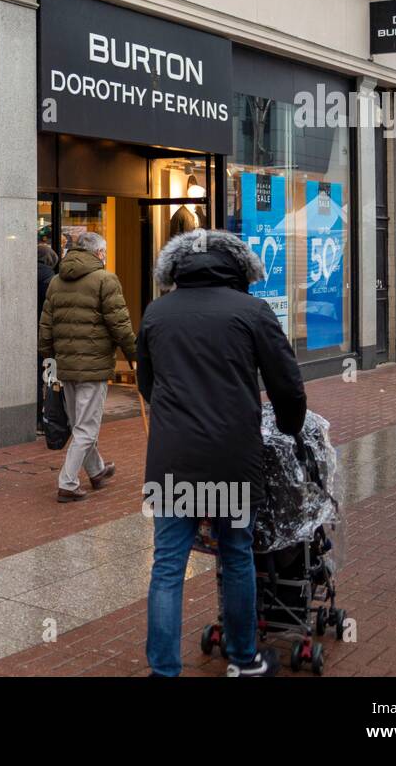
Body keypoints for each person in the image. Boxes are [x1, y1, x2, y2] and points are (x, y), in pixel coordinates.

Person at [137, 229, 307, 677]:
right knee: (237, 554)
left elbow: (146, 385)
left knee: (168, 564)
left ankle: (163, 669)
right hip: (232, 455)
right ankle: (243, 657)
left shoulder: (157, 313)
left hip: (173, 456)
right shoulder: (252, 311)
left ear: (176, 269)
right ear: (239, 269)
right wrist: (291, 429)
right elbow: (286, 384)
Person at [38, 231, 137, 501]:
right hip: (92, 366)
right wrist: (134, 354)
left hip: (65, 364)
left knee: (79, 423)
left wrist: (48, 357)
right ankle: (67, 483)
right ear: (99, 253)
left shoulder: (57, 281)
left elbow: (46, 325)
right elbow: (119, 324)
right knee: (85, 427)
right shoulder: (106, 279)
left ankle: (96, 471)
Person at [36, 243, 59, 434]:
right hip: (49, 337)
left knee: (36, 376)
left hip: (32, 334)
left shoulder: (26, 273)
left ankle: (36, 417)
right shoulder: (51, 280)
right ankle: (50, 416)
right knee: (51, 377)